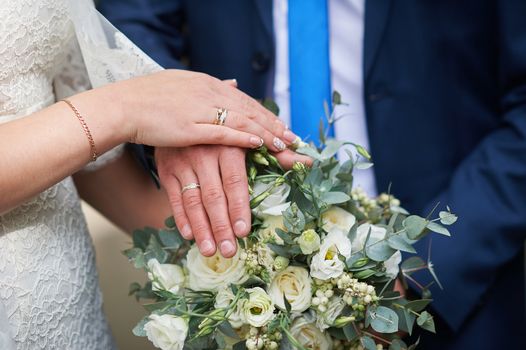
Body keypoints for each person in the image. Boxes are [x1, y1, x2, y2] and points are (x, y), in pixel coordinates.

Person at [100, 0, 526, 348]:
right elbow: (130, 23)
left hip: (464, 282)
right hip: (248, 280)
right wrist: (177, 124)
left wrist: (422, 274)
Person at [0, 0, 307, 348]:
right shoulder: (123, 108)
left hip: (69, 313)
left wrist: (262, 261)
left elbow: (79, 151)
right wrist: (127, 108)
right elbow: (105, 118)